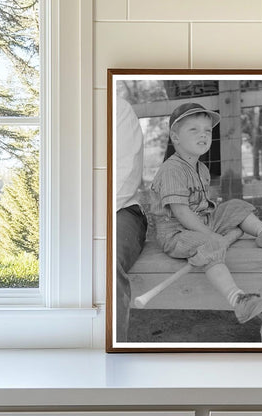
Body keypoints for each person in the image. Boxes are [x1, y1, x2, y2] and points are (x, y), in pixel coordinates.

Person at [150, 102, 262, 324]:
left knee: (235, 206)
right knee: (209, 244)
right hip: (176, 233)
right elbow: (180, 212)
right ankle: (238, 299)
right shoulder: (172, 170)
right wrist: (210, 235)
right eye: (194, 130)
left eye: (207, 131)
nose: (203, 135)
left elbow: (202, 207)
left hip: (201, 221)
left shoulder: (201, 168)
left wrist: (215, 226)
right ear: (175, 137)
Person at [116, 96, 147, 342]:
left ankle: (111, 353)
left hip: (120, 209)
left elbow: (125, 176)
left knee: (106, 262)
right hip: (79, 213)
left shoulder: (118, 109)